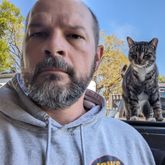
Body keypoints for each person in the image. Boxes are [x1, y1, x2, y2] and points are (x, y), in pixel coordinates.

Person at [0, 0, 155, 164]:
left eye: (74, 35)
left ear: (97, 58)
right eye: (37, 33)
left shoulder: (130, 144)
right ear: (23, 51)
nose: (54, 46)